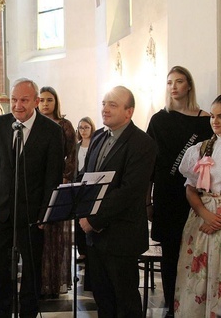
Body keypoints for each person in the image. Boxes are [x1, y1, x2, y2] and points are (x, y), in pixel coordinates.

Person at [0, 78, 64, 318]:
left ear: (36, 102)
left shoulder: (52, 131)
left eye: (24, 100)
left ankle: (28, 312)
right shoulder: (3, 123)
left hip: (33, 213)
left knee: (31, 266)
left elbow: (53, 177)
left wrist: (46, 213)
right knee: (0, 265)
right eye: (14, 100)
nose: (17, 105)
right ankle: (1, 311)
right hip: (4, 209)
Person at [79, 85, 156, 317]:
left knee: (126, 301)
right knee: (103, 300)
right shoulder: (98, 137)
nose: (105, 109)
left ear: (128, 112)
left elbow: (129, 191)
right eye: (104, 103)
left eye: (112, 105)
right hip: (95, 237)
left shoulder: (142, 143)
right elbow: (87, 179)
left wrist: (94, 219)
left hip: (122, 235)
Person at [146, 65, 213, 317]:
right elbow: (150, 163)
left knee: (196, 249)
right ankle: (170, 306)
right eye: (169, 82)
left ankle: (194, 303)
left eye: (179, 81)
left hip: (196, 194)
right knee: (170, 252)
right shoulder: (158, 119)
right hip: (165, 192)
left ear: (189, 86)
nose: (174, 86)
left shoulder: (206, 120)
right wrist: (147, 200)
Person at [174, 93, 221, 317]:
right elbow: (190, 188)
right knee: (198, 279)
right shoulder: (200, 150)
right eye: (212, 116)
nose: (215, 121)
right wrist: (205, 214)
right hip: (202, 221)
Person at [38, 86, 77, 298]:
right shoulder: (34, 124)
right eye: (42, 100)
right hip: (38, 187)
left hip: (59, 186)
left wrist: (65, 178)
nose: (45, 104)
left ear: (55, 102)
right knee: (39, 236)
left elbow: (71, 154)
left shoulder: (65, 125)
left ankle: (54, 282)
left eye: (49, 100)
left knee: (56, 236)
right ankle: (40, 281)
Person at [74, 116, 96, 265]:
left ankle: (89, 249)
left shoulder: (95, 145)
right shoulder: (76, 146)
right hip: (76, 186)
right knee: (77, 219)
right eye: (81, 127)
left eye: (86, 127)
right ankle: (81, 250)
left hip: (90, 187)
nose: (83, 130)